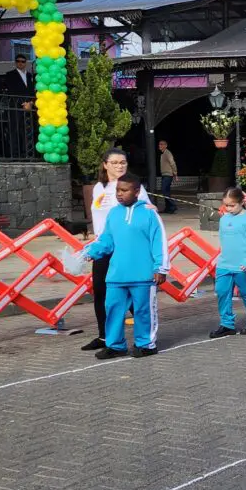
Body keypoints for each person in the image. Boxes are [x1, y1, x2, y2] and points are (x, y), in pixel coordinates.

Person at [80, 173, 169, 360]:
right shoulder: (113, 214)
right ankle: (115, 345)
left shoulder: (149, 214)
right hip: (116, 275)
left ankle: (146, 344)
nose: (119, 194)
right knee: (113, 310)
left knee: (144, 311)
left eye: (124, 190)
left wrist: (160, 268)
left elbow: (159, 242)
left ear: (137, 192)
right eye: (117, 190)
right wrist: (86, 253)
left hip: (143, 276)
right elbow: (106, 241)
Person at [83, 149, 153, 352]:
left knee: (131, 294)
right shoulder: (99, 187)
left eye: (123, 162)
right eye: (114, 163)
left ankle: (145, 335)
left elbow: (146, 212)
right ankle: (104, 337)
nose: (119, 166)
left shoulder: (133, 187)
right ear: (105, 165)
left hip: (125, 248)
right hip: (103, 246)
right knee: (101, 291)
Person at [209, 187, 246, 339]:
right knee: (222, 293)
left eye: (232, 205)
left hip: (243, 266)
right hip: (224, 264)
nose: (228, 208)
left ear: (242, 202)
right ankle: (227, 324)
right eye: (226, 205)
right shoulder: (224, 219)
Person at [158, 139, 178, 213]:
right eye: (159, 144)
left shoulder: (167, 153)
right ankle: (168, 208)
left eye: (162, 144)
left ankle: (173, 205)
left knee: (164, 191)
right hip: (165, 174)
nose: (160, 146)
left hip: (168, 175)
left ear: (166, 146)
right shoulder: (163, 154)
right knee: (166, 192)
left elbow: (172, 163)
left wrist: (175, 173)